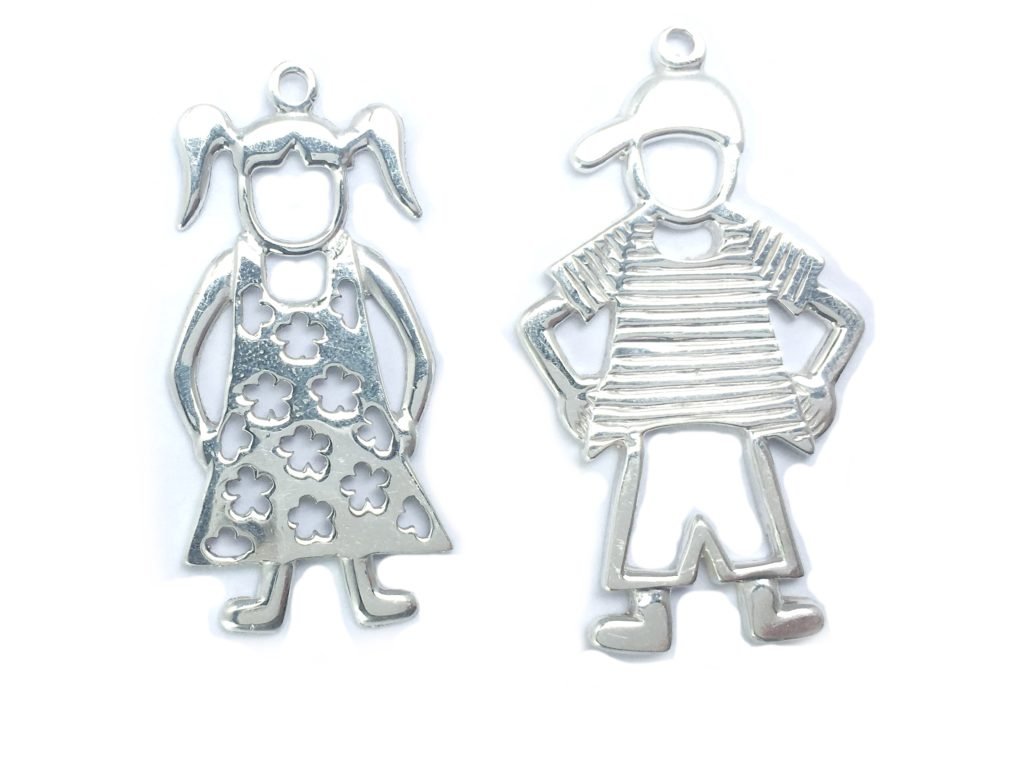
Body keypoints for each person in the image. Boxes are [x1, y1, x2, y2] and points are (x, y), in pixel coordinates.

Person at [519, 30, 863, 652]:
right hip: (652, 423)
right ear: (637, 165)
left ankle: (763, 606)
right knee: (651, 518)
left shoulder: (755, 244)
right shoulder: (621, 248)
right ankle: (649, 615)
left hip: (737, 420)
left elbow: (843, 318)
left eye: (697, 156)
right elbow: (538, 324)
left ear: (727, 162)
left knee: (747, 516)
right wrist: (570, 389)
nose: (682, 175)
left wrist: (820, 379)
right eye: (663, 156)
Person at [172, 64, 450, 631]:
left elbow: (421, 353)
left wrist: (406, 417)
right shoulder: (231, 272)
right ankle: (270, 598)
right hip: (258, 441)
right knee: (271, 509)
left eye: (313, 183)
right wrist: (201, 427)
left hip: (358, 438)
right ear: (244, 188)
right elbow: (182, 363)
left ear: (341, 183)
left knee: (357, 503)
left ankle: (365, 591)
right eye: (272, 186)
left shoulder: (361, 266)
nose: (292, 202)